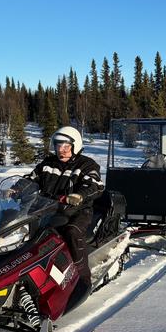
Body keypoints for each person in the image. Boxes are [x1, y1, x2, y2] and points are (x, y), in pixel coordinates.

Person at [18, 126, 104, 308]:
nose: (61, 149)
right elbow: (31, 179)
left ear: (75, 145)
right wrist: (17, 189)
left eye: (66, 146)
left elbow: (95, 184)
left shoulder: (87, 165)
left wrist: (80, 195)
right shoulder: (48, 164)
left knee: (71, 232)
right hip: (47, 209)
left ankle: (83, 278)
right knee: (26, 232)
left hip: (77, 210)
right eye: (58, 145)